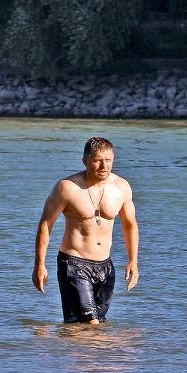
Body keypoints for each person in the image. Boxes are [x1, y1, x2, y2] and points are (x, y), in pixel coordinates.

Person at [32, 137, 139, 323]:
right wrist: (39, 265)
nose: (103, 166)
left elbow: (130, 224)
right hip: (74, 263)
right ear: (85, 161)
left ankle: (64, 350)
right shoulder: (67, 188)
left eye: (108, 160)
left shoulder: (121, 187)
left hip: (105, 266)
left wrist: (133, 261)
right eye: (97, 160)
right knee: (91, 323)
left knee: (85, 324)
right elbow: (46, 224)